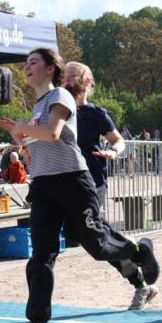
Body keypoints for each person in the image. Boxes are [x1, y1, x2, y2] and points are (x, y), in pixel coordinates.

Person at [0, 47, 161, 323]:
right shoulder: (38, 105)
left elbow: (54, 133)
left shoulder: (61, 96)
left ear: (49, 69)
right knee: (41, 255)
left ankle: (139, 251)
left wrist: (23, 129)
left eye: (33, 63)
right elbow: (37, 142)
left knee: (97, 247)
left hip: (73, 182)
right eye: (26, 63)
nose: (26, 68)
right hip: (44, 186)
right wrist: (19, 138)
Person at [63, 61, 125, 211]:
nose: (66, 80)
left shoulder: (97, 114)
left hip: (93, 179)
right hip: (65, 180)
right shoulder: (57, 111)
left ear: (88, 81)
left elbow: (118, 140)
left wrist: (113, 151)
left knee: (90, 229)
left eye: (72, 75)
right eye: (64, 77)